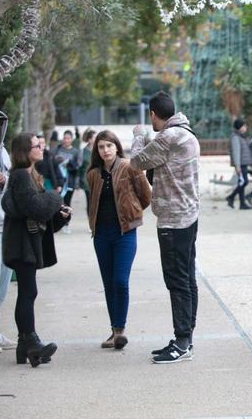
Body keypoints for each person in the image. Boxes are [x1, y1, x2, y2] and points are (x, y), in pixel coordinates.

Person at [129, 91, 201, 364]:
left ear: (153, 115)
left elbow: (136, 163)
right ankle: (186, 338)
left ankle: (182, 342)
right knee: (187, 278)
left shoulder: (169, 137)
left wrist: (138, 135)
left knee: (177, 281)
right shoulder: (186, 134)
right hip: (189, 216)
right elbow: (160, 145)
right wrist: (150, 136)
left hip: (173, 220)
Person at [1, 133, 71, 367]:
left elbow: (39, 213)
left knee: (28, 292)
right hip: (20, 244)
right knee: (28, 293)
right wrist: (56, 197)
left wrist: (59, 213)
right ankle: (31, 342)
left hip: (26, 243)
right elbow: (35, 207)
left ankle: (25, 347)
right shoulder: (21, 175)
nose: (41, 148)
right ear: (25, 151)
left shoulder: (29, 174)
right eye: (36, 146)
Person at [87, 130, 152, 350]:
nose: (105, 150)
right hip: (101, 235)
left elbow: (145, 197)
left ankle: (120, 331)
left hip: (125, 233)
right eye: (101, 147)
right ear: (97, 150)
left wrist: (131, 212)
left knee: (120, 281)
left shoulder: (129, 166)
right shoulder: (93, 174)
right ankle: (114, 331)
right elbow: (93, 202)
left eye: (109, 146)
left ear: (116, 147)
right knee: (108, 283)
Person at [0, 110, 15, 354]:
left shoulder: (2, 153)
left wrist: (4, 179)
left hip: (5, 225)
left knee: (3, 283)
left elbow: (15, 179)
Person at [227, 118, 252, 210]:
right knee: (244, 182)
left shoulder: (241, 136)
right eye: (244, 125)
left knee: (242, 182)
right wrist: (237, 166)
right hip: (240, 164)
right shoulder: (235, 137)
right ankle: (231, 197)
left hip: (243, 163)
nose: (245, 127)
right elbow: (236, 152)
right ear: (239, 127)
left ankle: (242, 203)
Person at [78, 128, 97, 221]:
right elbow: (79, 167)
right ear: (89, 140)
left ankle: (97, 220)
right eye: (94, 137)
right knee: (90, 201)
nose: (96, 139)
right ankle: (91, 222)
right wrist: (78, 181)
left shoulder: (99, 150)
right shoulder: (82, 152)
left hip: (99, 179)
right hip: (87, 181)